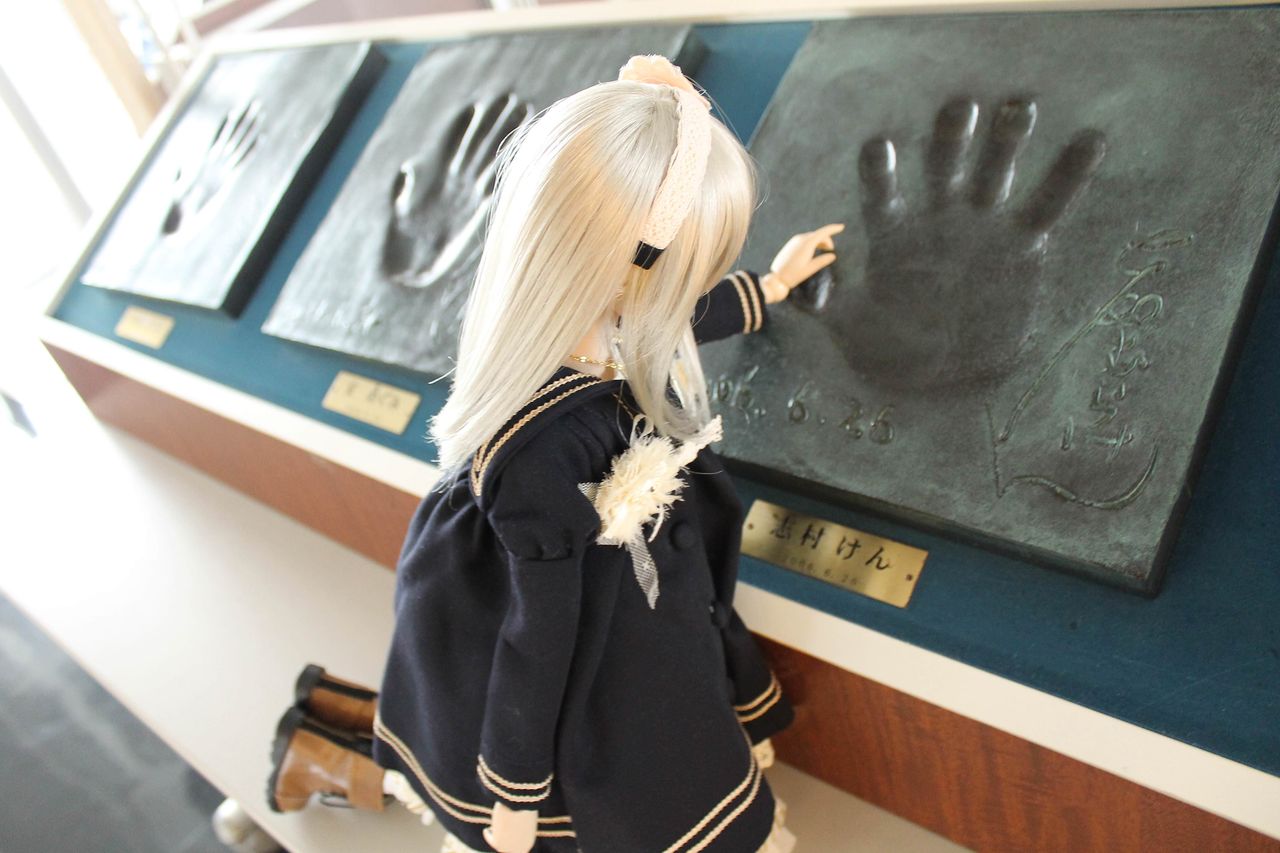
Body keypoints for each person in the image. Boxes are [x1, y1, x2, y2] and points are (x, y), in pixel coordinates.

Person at [370, 54, 844, 853]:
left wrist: (768, 287)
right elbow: (537, 639)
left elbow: (673, 316)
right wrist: (514, 790)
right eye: (695, 264)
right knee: (638, 757)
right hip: (591, 642)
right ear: (625, 269)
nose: (693, 288)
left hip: (641, 598)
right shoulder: (538, 449)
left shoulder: (612, 321)